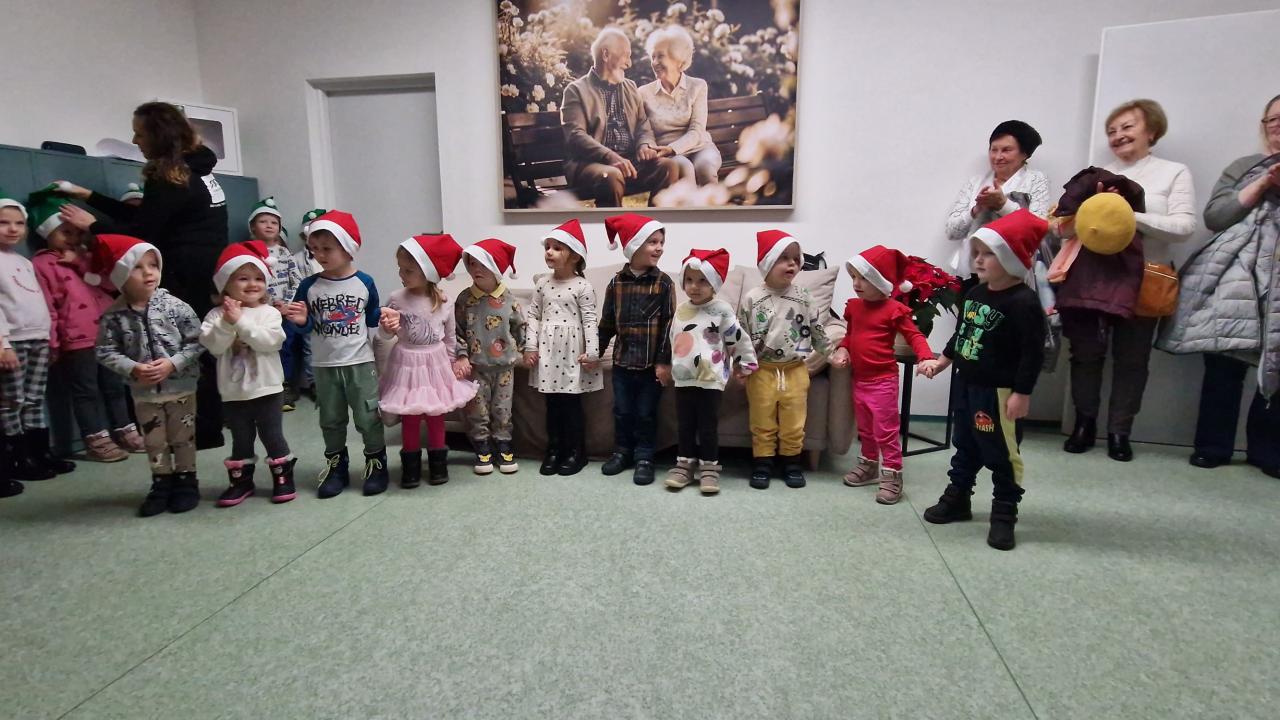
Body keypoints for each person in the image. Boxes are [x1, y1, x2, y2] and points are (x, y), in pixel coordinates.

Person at [55, 101, 230, 451]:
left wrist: (94, 225)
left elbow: (142, 231)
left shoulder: (170, 177)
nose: (135, 141)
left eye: (139, 134)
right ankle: (207, 427)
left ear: (159, 136)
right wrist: (90, 197)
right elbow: (148, 215)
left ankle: (197, 430)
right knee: (201, 349)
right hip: (205, 273)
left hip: (182, 276)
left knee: (185, 352)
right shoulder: (197, 167)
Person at [1062, 99, 1197, 462]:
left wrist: (1125, 215)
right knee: (1085, 354)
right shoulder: (1096, 175)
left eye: (1127, 127)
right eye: (1112, 130)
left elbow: (1184, 227)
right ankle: (1083, 424)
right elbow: (1068, 227)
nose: (1118, 135)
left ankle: (1120, 431)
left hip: (1146, 276)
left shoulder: (1173, 172)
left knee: (1132, 359)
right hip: (1092, 276)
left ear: (1151, 130)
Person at [1160, 93, 1280, 477]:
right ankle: (1213, 446)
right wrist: (1261, 184)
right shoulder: (1244, 167)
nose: (1278, 127)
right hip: (1236, 279)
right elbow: (1215, 217)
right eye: (1272, 120)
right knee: (1223, 364)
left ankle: (1268, 451)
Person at [918, 210, 1047, 551]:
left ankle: (1004, 512)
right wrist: (941, 362)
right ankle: (959, 497)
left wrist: (1022, 393)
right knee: (965, 444)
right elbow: (962, 334)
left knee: (1002, 453)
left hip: (999, 393)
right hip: (966, 385)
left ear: (1011, 258)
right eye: (976, 252)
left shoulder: (1024, 302)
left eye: (988, 253)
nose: (978, 259)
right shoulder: (975, 294)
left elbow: (1032, 353)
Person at [28, 192, 143, 463]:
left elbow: (110, 284)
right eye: (64, 232)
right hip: (77, 339)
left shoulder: (88, 256)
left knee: (115, 387)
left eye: (77, 232)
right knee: (86, 391)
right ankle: (95, 438)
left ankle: (125, 430)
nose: (72, 238)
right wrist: (53, 342)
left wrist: (80, 263)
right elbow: (48, 306)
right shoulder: (42, 264)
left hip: (108, 335)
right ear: (47, 233)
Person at [95, 235, 204, 517]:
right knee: (154, 440)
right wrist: (132, 367)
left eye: (153, 265)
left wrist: (173, 364)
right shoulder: (113, 316)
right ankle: (161, 482)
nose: (148, 273)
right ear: (121, 275)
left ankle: (186, 481)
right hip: (143, 393)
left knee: (183, 437)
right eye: (138, 267)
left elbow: (197, 341)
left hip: (181, 388)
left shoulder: (175, 306)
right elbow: (105, 350)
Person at [281, 211, 388, 498]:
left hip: (360, 363)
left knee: (368, 416)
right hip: (324, 365)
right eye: (314, 249)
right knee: (330, 418)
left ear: (347, 248)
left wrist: (388, 319)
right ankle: (337, 466)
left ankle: (376, 463)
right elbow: (304, 326)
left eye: (327, 249)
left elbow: (372, 318)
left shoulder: (364, 282)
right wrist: (301, 321)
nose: (319, 255)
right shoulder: (308, 286)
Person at [829, 245, 934, 505]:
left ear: (880, 281)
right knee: (865, 429)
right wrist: (843, 349)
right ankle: (869, 466)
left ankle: (892, 474)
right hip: (860, 380)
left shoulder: (893, 309)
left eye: (864, 278)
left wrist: (925, 357)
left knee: (886, 431)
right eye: (854, 277)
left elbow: (914, 335)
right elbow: (850, 335)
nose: (856, 284)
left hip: (883, 382)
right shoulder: (855, 307)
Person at [376, 234, 477, 489]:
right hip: (407, 364)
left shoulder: (444, 301)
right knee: (410, 415)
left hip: (435, 364)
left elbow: (450, 337)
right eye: (400, 268)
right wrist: (386, 328)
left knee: (436, 415)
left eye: (408, 270)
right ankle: (410, 466)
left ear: (428, 273)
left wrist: (454, 363)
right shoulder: (396, 298)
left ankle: (437, 464)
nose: (402, 274)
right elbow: (385, 333)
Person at [200, 241, 295, 507]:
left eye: (258, 278)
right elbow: (214, 346)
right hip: (233, 393)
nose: (252, 284)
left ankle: (283, 477)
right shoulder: (216, 316)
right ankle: (241, 482)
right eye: (243, 278)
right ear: (225, 284)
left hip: (268, 389)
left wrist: (240, 322)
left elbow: (270, 342)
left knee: (272, 435)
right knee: (241, 438)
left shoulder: (269, 313)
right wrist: (228, 323)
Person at [739, 229, 832, 489]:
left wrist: (831, 354)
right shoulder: (753, 298)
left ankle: (792, 463)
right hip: (761, 371)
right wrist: (741, 366)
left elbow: (817, 329)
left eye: (795, 258)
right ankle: (763, 463)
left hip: (795, 370)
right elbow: (741, 335)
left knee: (794, 422)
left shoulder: (803, 296)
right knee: (762, 421)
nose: (792, 264)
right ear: (768, 262)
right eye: (784, 258)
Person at [664, 248, 756, 495]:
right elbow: (672, 339)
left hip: (711, 379)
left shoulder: (722, 310)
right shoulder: (681, 310)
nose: (695, 286)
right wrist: (667, 365)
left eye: (703, 281)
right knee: (685, 424)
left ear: (714, 283)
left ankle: (709, 468)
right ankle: (684, 465)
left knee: (707, 426)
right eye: (689, 280)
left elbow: (737, 338)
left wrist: (745, 364)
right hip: (683, 378)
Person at [560, 27, 680, 207]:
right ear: (605, 54)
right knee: (612, 175)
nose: (629, 64)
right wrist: (609, 156)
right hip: (590, 164)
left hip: (629, 161)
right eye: (626, 56)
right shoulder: (576, 90)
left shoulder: (630, 87)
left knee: (668, 167)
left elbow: (643, 125)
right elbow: (576, 135)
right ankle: (613, 224)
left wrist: (645, 145)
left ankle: (652, 222)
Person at [0, 191, 73, 486]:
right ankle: (16, 458)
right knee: (11, 401)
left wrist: (48, 337)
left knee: (34, 399)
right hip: (12, 341)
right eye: (4, 223)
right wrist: (3, 344)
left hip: (37, 338)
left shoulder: (24, 261)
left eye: (19, 223)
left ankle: (39, 453)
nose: (13, 229)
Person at [597, 213, 674, 486]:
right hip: (622, 363)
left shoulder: (664, 283)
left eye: (661, 242)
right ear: (634, 245)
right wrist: (596, 352)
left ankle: (644, 457)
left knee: (646, 413)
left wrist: (663, 362)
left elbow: (668, 326)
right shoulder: (616, 283)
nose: (659, 247)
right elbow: (607, 323)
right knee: (622, 411)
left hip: (650, 367)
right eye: (652, 242)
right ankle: (622, 452)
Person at [524, 219, 603, 476]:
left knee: (571, 405)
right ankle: (554, 450)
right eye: (547, 247)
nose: (549, 252)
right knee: (552, 404)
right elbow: (533, 315)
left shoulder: (583, 286)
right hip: (547, 351)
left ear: (575, 256)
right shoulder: (542, 284)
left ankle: (576, 452)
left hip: (571, 353)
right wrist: (530, 346)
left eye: (557, 248)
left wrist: (593, 352)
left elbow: (590, 320)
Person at [454, 238, 526, 475]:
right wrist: (461, 356)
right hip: (477, 366)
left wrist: (526, 350)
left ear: (495, 267)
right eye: (472, 264)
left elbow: (520, 327)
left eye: (482, 264)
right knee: (478, 411)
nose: (476, 269)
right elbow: (457, 331)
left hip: (504, 367)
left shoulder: (509, 299)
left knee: (503, 409)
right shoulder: (465, 299)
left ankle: (503, 444)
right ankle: (482, 446)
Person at [945, 120, 1050, 278]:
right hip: (972, 272)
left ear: (1025, 154)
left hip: (1012, 276)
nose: (998, 157)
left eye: (1006, 150)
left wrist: (1003, 205)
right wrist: (976, 210)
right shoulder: (975, 183)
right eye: (994, 150)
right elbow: (952, 232)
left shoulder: (1036, 180)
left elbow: (1037, 229)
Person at [637, 25, 721, 186]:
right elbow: (644, 130)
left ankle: (713, 204)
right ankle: (687, 203)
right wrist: (651, 147)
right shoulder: (644, 93)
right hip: (667, 154)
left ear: (679, 60)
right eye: (653, 57)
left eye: (660, 56)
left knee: (705, 167)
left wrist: (672, 148)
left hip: (700, 147)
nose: (654, 62)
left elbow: (697, 129)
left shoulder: (698, 86)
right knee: (684, 168)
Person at [247, 197, 304, 411]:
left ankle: (285, 387)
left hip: (285, 312)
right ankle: (263, 390)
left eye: (274, 222)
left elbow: (296, 280)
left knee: (285, 348)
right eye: (263, 221)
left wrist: (286, 304)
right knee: (261, 349)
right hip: (260, 311)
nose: (269, 225)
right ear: (253, 226)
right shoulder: (249, 251)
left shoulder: (284, 253)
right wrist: (265, 304)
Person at [288, 208, 327, 402]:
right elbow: (297, 284)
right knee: (310, 347)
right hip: (309, 310)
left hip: (330, 308)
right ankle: (315, 384)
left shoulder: (334, 257)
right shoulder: (296, 259)